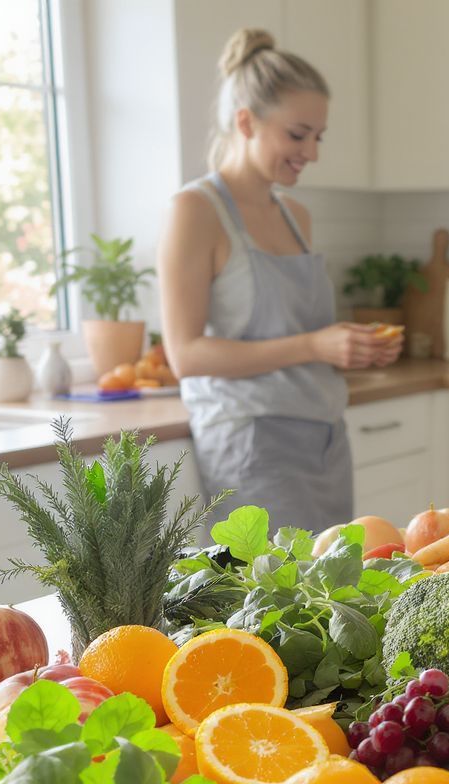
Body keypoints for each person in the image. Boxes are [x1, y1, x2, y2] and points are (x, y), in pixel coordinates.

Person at [158, 28, 401, 532]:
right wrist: (316, 345)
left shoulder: (296, 215)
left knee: (336, 600)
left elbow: (298, 339)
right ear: (246, 122)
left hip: (326, 439)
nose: (311, 151)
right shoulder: (195, 211)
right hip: (253, 444)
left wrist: (351, 350)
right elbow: (186, 354)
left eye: (318, 136)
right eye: (297, 134)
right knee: (272, 605)